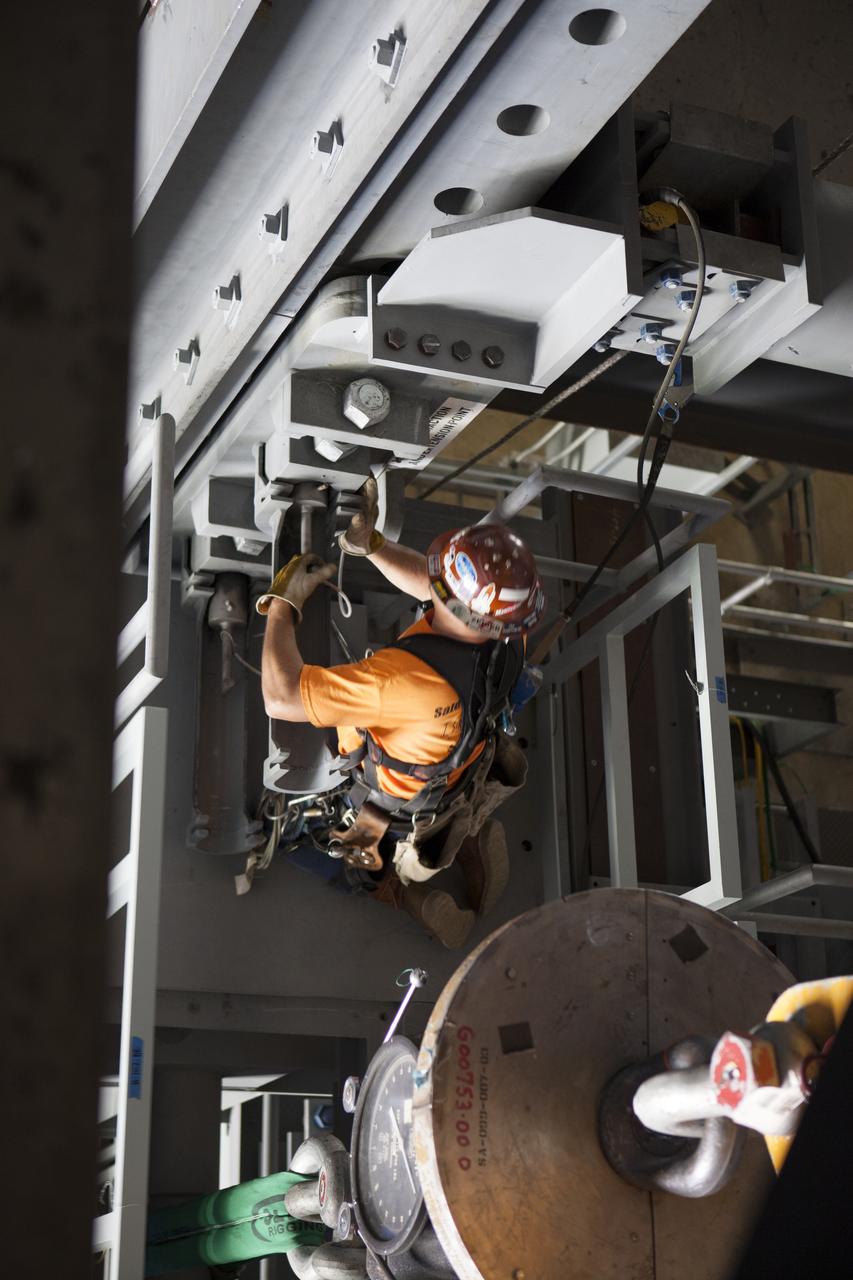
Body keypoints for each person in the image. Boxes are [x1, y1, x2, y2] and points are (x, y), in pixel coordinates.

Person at [258, 478, 545, 947]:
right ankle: (464, 846)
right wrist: (372, 546)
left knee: (334, 857)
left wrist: (282, 603)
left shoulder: (401, 682)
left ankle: (400, 892)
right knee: (442, 814)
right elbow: (437, 592)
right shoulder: (508, 628)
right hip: (456, 769)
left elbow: (282, 697)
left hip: (393, 805)